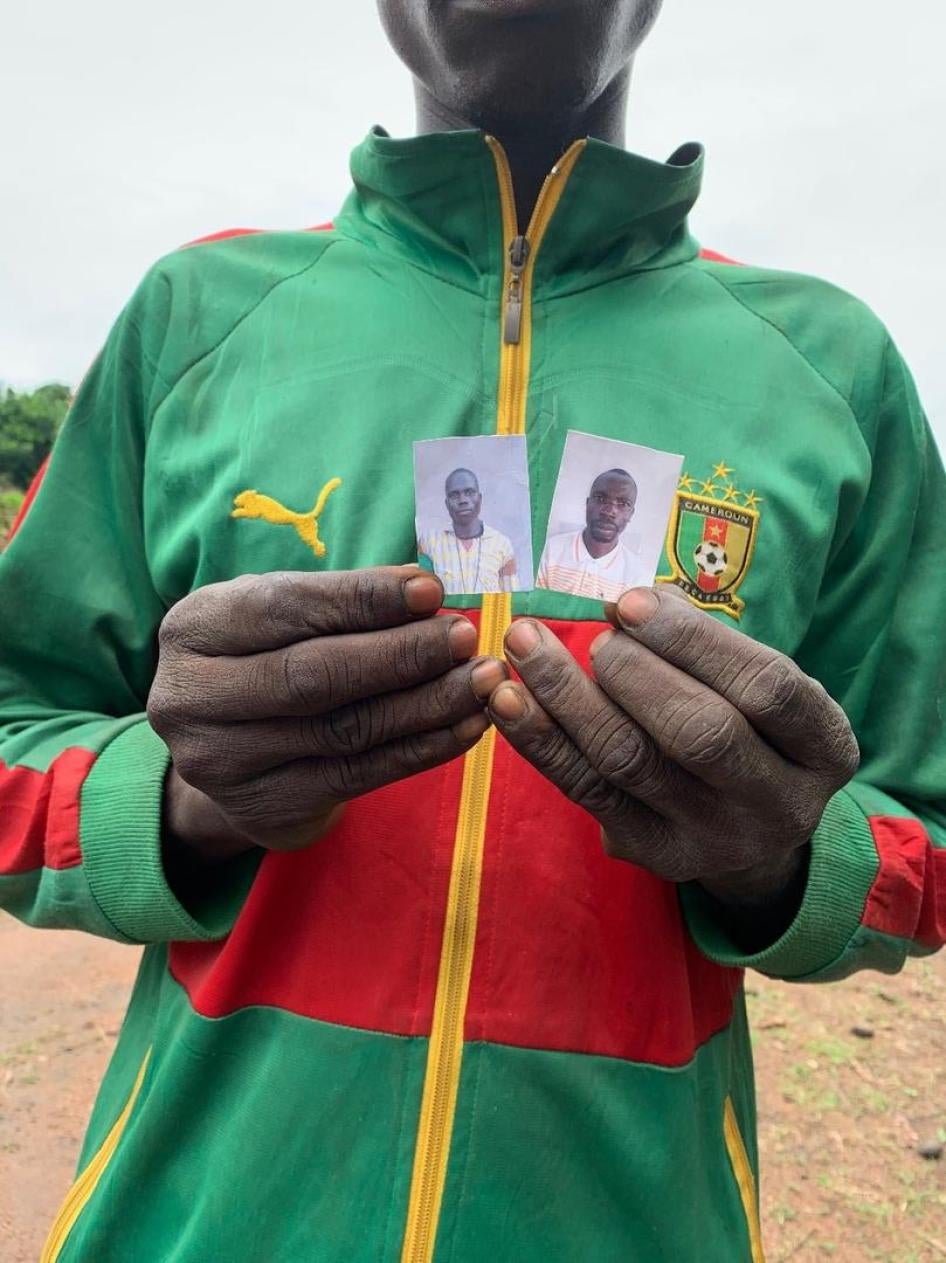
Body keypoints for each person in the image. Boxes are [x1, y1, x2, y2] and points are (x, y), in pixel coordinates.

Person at [1, 1, 944, 1259]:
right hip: (197, 1221)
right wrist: (175, 800)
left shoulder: (831, 370)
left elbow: (919, 828)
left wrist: (785, 862)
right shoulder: (197, 317)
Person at [537, 467, 645, 600]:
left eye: (623, 504)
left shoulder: (637, 575)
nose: (610, 511)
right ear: (588, 504)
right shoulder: (550, 550)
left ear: (631, 514)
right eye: (600, 498)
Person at [418, 467, 519, 594]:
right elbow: (421, 594)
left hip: (488, 614)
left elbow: (513, 600)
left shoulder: (502, 544)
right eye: (454, 495)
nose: (463, 500)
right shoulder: (428, 542)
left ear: (480, 498)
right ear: (446, 504)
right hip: (447, 614)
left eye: (469, 492)